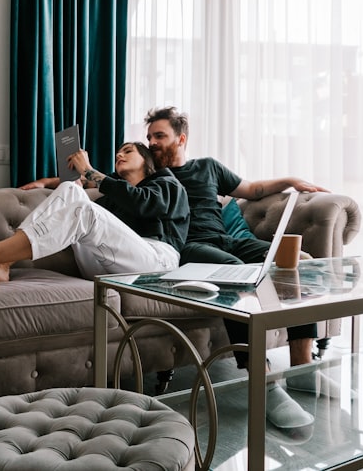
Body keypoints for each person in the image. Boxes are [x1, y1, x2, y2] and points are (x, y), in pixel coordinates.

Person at [143, 106, 338, 429]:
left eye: (159, 136)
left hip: (227, 240)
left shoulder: (207, 168)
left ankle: (302, 370)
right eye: (149, 137)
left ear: (181, 138)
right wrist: (50, 182)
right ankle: (265, 384)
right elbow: (100, 181)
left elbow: (254, 190)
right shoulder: (151, 176)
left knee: (298, 263)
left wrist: (292, 180)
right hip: (190, 248)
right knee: (236, 273)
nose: (152, 143)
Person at [0, 142, 189, 284]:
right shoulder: (112, 199)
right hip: (104, 266)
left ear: (146, 161)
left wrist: (88, 171)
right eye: (118, 152)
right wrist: (50, 183)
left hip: (157, 263)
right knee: (70, 189)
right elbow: (100, 220)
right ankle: (3, 263)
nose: (120, 155)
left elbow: (144, 203)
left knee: (82, 208)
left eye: (128, 151)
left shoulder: (166, 183)